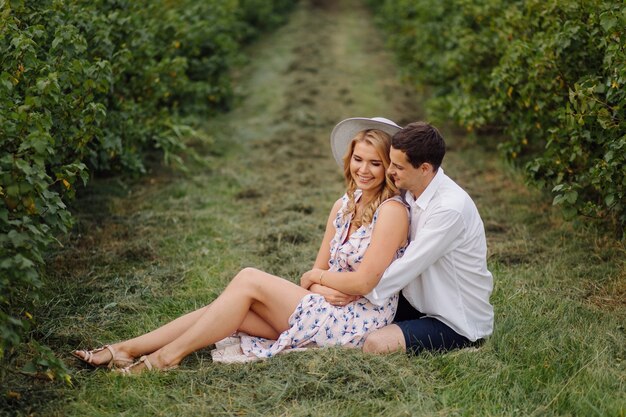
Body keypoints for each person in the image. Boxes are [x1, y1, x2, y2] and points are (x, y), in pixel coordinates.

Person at [72, 117, 410, 372]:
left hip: (358, 319)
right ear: (349, 159)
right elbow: (315, 271)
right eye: (358, 159)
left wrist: (317, 281)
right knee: (230, 311)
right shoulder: (343, 206)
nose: (363, 169)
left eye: (375, 163)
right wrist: (318, 282)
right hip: (325, 303)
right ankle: (126, 349)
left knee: (249, 278)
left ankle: (164, 358)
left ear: (388, 168)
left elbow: (362, 282)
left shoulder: (392, 211)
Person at [360, 121, 494, 355]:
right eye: (391, 162)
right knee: (350, 319)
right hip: (416, 302)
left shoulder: (448, 209)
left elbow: (407, 266)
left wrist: (357, 288)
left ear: (424, 168)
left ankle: (469, 347)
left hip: (454, 321)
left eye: (398, 167)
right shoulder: (411, 190)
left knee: (375, 344)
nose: (390, 171)